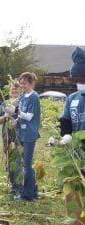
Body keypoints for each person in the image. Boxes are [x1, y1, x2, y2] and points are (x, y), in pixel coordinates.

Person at [58, 47, 85, 224]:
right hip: (75, 154)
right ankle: (76, 221)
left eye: (81, 78)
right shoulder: (72, 98)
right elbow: (65, 121)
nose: (79, 82)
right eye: (76, 79)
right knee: (72, 191)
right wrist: (65, 136)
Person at [14, 72, 40, 201]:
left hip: (30, 133)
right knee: (27, 163)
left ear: (31, 83)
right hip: (22, 132)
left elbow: (29, 116)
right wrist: (15, 120)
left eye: (24, 84)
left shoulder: (34, 97)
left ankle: (28, 195)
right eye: (21, 84)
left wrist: (16, 111)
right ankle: (34, 191)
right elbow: (21, 114)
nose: (22, 86)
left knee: (27, 165)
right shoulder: (23, 96)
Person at [0, 83, 22, 194]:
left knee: (18, 159)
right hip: (7, 134)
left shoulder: (22, 102)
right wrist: (6, 116)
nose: (14, 91)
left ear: (20, 90)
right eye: (12, 89)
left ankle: (18, 186)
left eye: (16, 89)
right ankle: (13, 184)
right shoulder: (5, 103)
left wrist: (16, 121)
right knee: (9, 158)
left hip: (19, 134)